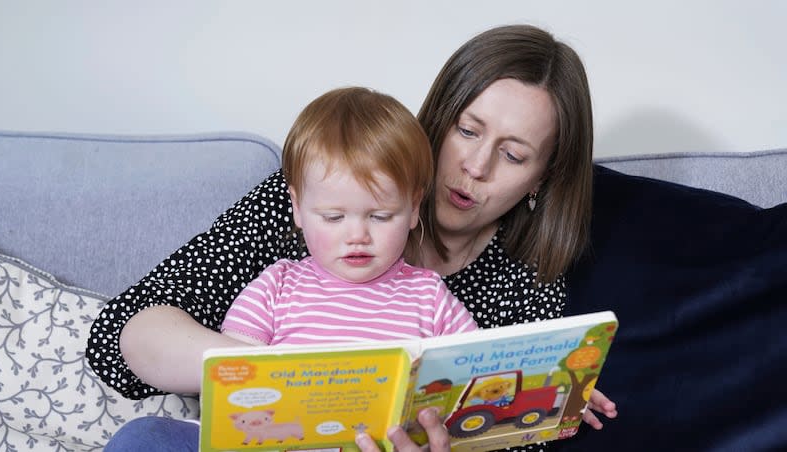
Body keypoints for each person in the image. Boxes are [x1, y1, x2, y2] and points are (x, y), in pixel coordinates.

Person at [92, 24, 617, 452]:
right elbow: (119, 338)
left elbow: (505, 419)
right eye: (468, 130)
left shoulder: (511, 288)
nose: (475, 167)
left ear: (544, 176)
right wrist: (269, 374)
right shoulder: (319, 196)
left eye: (513, 155)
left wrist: (547, 389)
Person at [220, 86, 477, 348]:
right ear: (297, 208)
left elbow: (476, 368)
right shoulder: (276, 288)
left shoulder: (430, 297)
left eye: (380, 216)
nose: (358, 237)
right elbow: (233, 373)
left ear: (413, 209)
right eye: (333, 217)